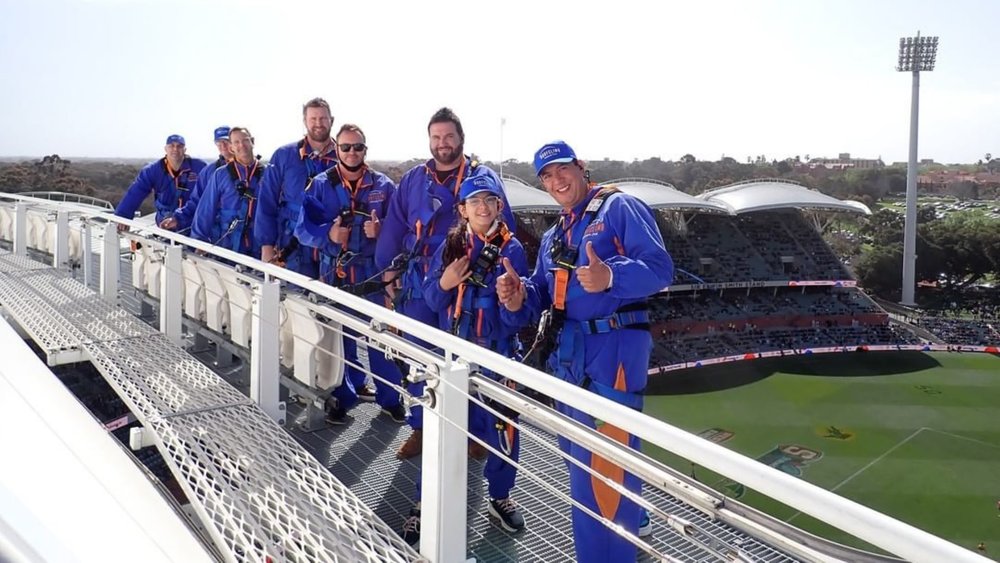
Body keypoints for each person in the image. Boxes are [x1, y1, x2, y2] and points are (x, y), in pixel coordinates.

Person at [496, 141, 673, 563]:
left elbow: (660, 269)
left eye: (562, 170)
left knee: (606, 472)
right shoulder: (556, 234)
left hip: (611, 354)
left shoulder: (619, 208)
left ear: (581, 168)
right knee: (581, 467)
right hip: (570, 358)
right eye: (547, 176)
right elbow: (544, 292)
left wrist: (611, 275)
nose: (556, 181)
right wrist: (519, 294)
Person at [375, 107, 517, 460]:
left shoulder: (482, 179)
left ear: (461, 139)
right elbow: (394, 227)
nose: (443, 144)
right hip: (424, 282)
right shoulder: (413, 180)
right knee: (423, 360)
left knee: (471, 362)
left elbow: (504, 226)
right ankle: (422, 428)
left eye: (449, 137)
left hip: (471, 280)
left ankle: (473, 433)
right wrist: (388, 274)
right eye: (436, 138)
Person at [400, 175, 530, 545]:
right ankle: (425, 503)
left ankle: (500, 496)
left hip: (495, 356)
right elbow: (431, 300)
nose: (483, 208)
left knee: (503, 433)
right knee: (441, 430)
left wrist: (510, 301)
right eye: (474, 201)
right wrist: (444, 282)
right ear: (462, 209)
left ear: (500, 207)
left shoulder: (513, 249)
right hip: (453, 357)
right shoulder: (449, 245)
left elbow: (517, 315)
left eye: (490, 200)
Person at [294, 124, 406, 424]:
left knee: (381, 340)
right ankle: (342, 397)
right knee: (338, 341)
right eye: (345, 147)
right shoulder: (320, 185)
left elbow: (401, 229)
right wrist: (328, 235)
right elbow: (302, 229)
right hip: (336, 272)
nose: (352, 152)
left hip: (373, 275)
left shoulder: (383, 186)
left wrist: (381, 232)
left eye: (358, 147)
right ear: (337, 150)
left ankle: (390, 398)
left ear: (365, 150)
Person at [255, 97, 337, 276]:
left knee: (329, 301)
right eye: (313, 119)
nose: (318, 123)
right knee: (294, 300)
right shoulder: (284, 155)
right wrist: (266, 245)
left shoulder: (344, 156)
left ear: (332, 120)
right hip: (293, 244)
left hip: (331, 242)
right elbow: (267, 200)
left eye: (323, 118)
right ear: (304, 122)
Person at [191, 127, 264, 257]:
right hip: (227, 243)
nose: (241, 145)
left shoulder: (268, 173)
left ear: (252, 141)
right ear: (232, 147)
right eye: (236, 142)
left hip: (258, 244)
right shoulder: (220, 174)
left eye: (245, 140)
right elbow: (206, 208)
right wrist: (199, 241)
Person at [115, 134, 205, 230]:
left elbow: (211, 191)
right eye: (171, 146)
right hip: (165, 224)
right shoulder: (153, 170)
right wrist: (123, 216)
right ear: (165, 149)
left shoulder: (199, 167)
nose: (175, 149)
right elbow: (136, 192)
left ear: (185, 150)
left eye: (179, 146)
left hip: (192, 223)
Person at [161, 126, 232, 233]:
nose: (223, 146)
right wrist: (177, 218)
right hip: (219, 233)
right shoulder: (209, 171)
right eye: (219, 143)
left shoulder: (254, 170)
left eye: (226, 141)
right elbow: (196, 200)